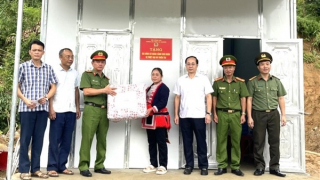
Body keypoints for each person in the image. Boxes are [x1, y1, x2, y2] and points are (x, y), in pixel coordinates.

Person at [17, 40, 57, 180]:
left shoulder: (48, 68)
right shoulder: (22, 67)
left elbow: (53, 87)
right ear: (30, 52)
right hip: (26, 109)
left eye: (39, 50)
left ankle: (35, 169)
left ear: (43, 52)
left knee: (38, 140)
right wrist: (25, 100)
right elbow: (17, 87)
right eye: (34, 50)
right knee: (25, 140)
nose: (37, 52)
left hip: (42, 110)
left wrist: (46, 97)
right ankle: (23, 169)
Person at [247, 52, 287, 177]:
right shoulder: (252, 82)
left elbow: (281, 98)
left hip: (274, 114)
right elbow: (249, 99)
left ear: (270, 65)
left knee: (274, 141)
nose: (265, 66)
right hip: (258, 114)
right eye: (262, 64)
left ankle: (275, 167)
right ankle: (259, 166)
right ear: (258, 67)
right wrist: (249, 116)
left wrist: (283, 115)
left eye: (267, 64)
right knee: (259, 142)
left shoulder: (276, 81)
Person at [78, 50, 117, 177]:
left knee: (102, 139)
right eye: (97, 61)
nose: (100, 64)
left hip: (104, 110)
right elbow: (87, 92)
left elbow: (109, 95)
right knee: (87, 138)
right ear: (92, 62)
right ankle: (84, 166)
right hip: (91, 110)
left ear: (105, 63)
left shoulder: (106, 79)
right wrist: (104, 90)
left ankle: (99, 165)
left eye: (102, 62)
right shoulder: (87, 75)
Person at [173, 56, 213, 176]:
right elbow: (177, 97)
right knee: (187, 141)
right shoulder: (180, 80)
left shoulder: (203, 79)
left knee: (201, 141)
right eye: (188, 64)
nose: (190, 66)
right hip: (184, 115)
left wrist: (208, 113)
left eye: (193, 64)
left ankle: (203, 166)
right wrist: (176, 114)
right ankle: (189, 165)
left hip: (199, 115)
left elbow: (209, 96)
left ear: (197, 65)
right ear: (185, 65)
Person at [212, 55, 249, 176]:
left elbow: (243, 98)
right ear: (223, 68)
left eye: (231, 67)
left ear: (234, 68)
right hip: (222, 114)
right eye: (226, 67)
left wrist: (243, 113)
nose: (228, 69)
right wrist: (215, 113)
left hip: (236, 115)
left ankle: (235, 166)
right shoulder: (217, 83)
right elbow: (214, 98)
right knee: (221, 140)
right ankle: (222, 166)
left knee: (235, 141)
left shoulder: (240, 82)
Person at [46, 48, 81, 177]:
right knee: (55, 140)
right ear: (60, 57)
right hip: (57, 110)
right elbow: (50, 90)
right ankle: (52, 166)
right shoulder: (53, 71)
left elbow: (76, 90)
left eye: (72, 56)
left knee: (67, 140)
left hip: (71, 110)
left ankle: (62, 166)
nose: (70, 59)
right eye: (67, 56)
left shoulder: (75, 73)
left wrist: (77, 107)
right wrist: (51, 108)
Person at [142, 68, 170, 175]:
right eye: (153, 74)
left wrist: (152, 108)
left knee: (161, 142)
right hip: (149, 118)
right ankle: (153, 164)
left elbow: (163, 102)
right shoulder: (148, 88)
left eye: (157, 74)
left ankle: (163, 165)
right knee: (151, 142)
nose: (154, 76)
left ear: (161, 76)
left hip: (159, 118)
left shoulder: (164, 88)